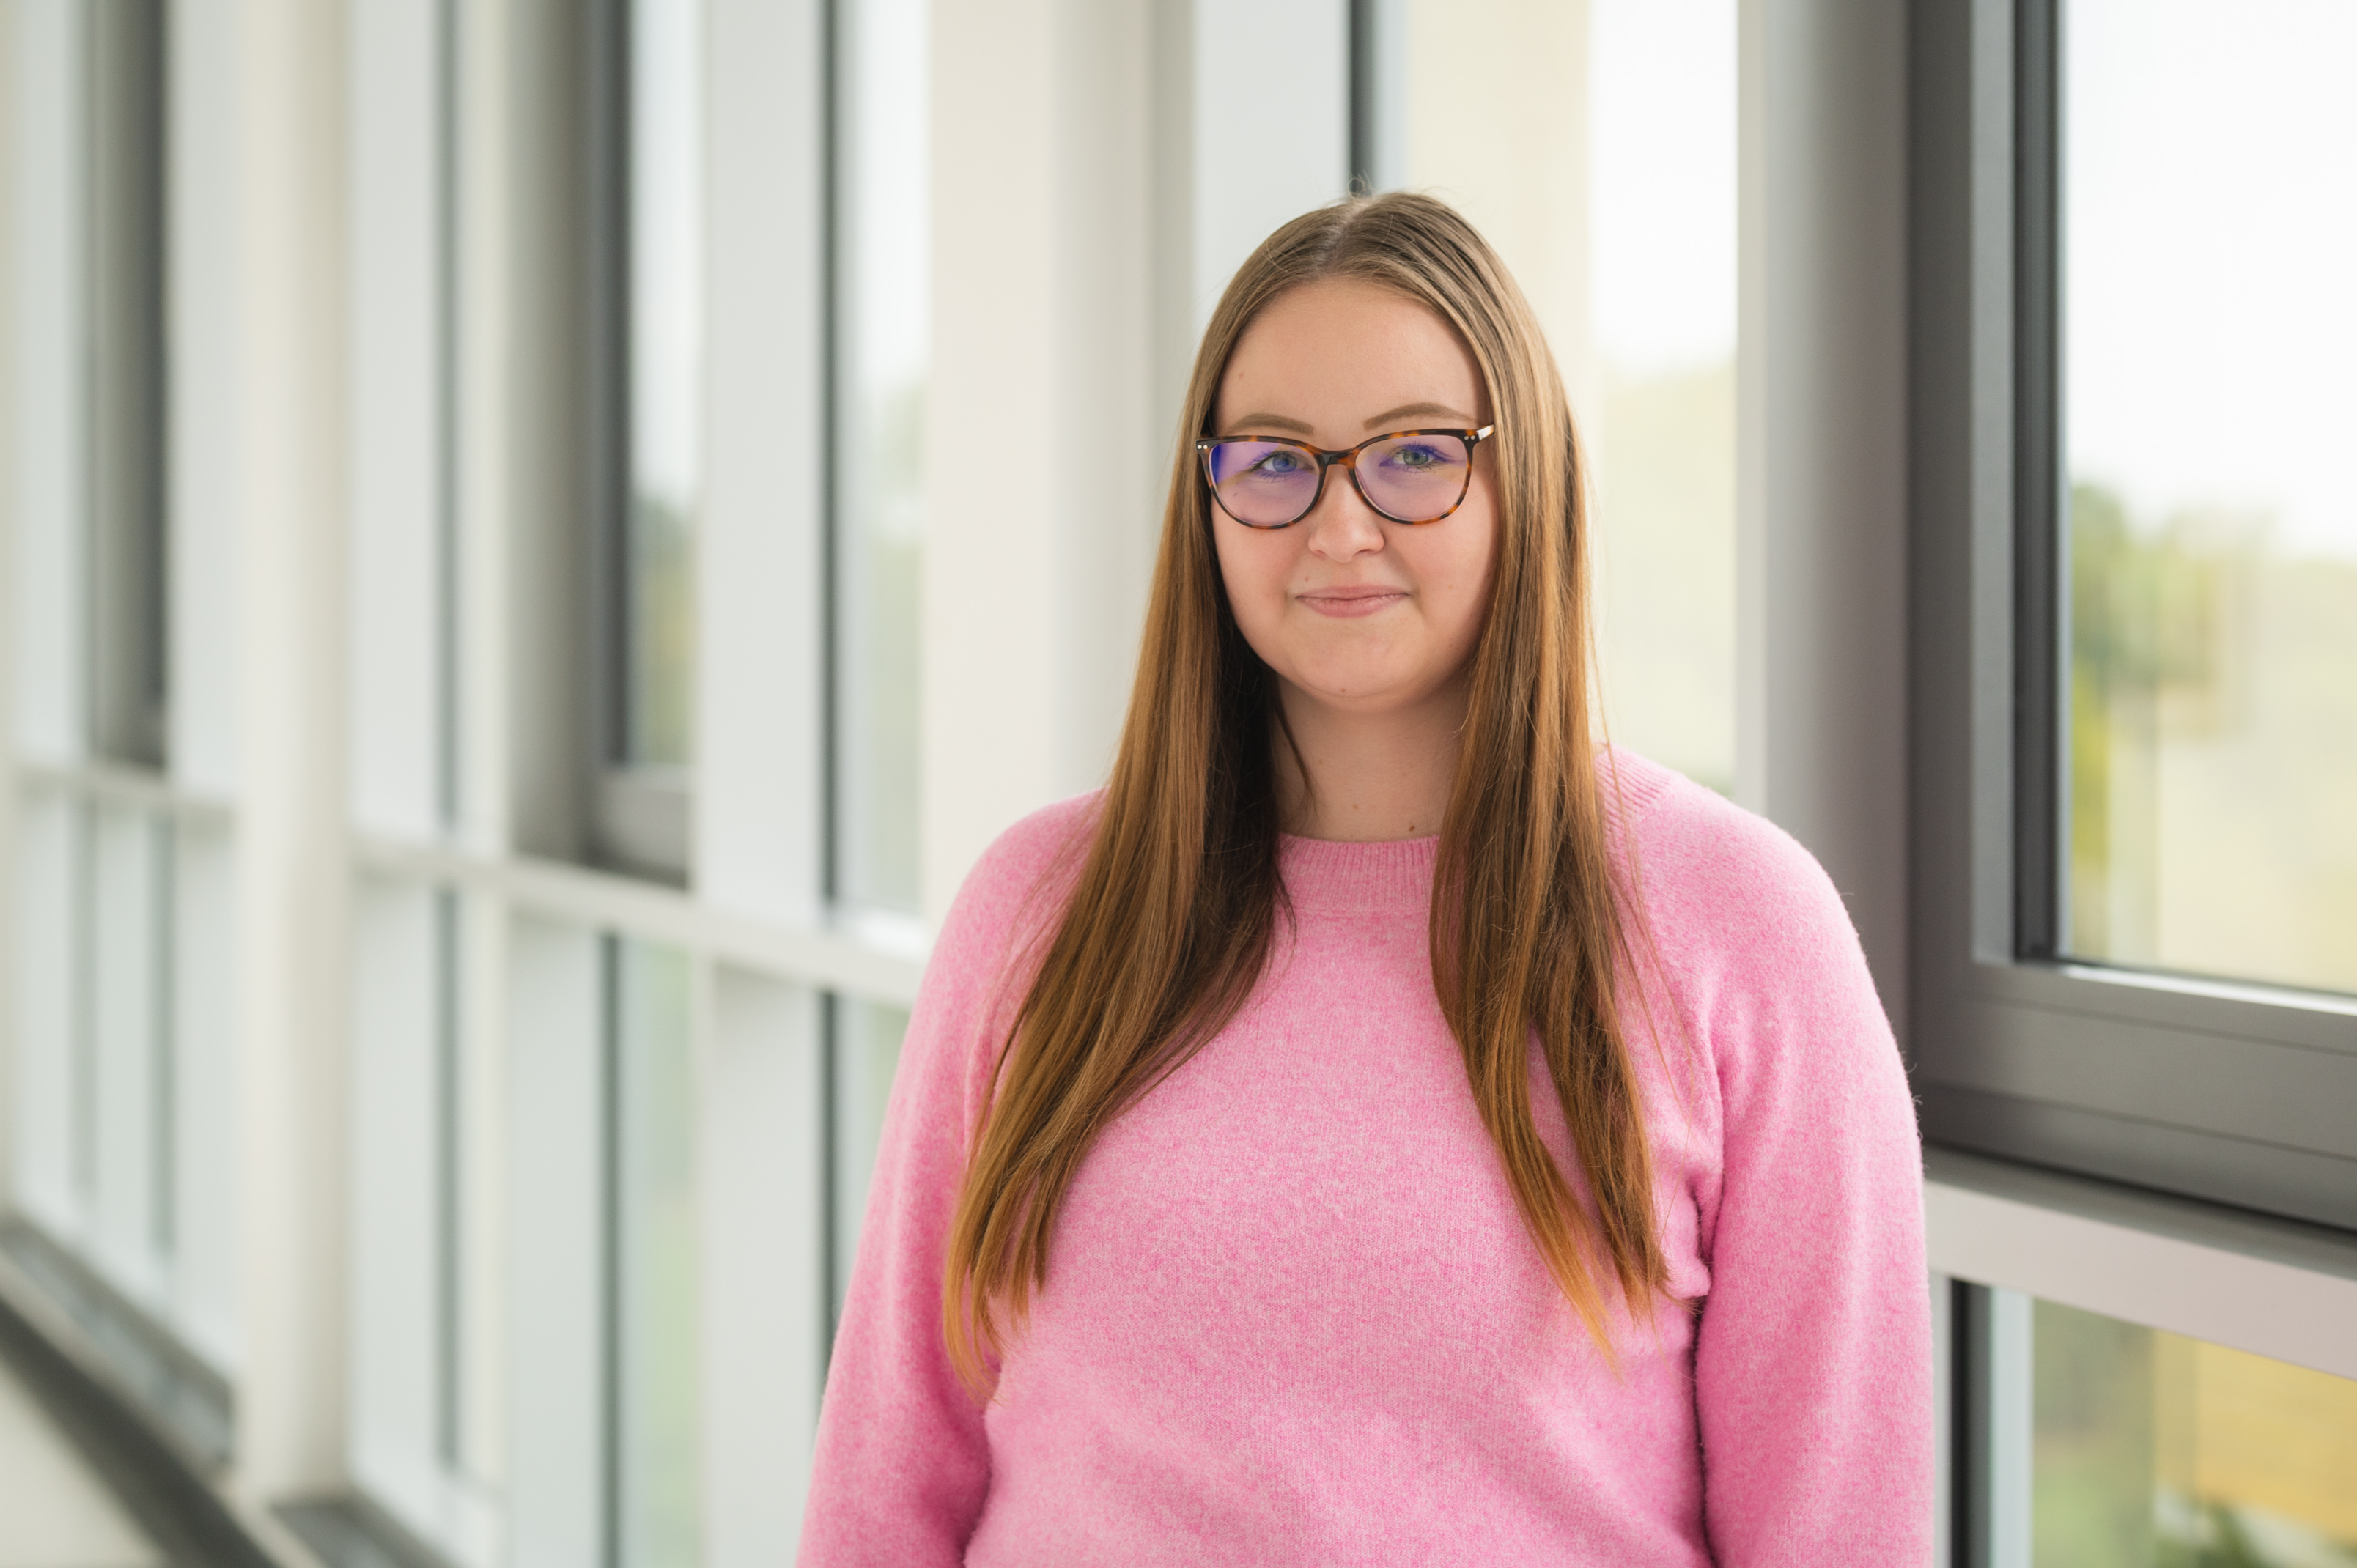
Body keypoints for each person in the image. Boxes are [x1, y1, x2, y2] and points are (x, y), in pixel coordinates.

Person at [799, 193, 1931, 1566]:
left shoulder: (1742, 927)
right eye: (1274, 463)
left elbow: (1838, 1532)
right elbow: (885, 1487)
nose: (1337, 527)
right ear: (1205, 500)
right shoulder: (1037, 910)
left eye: (1412, 456)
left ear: (1527, 479)